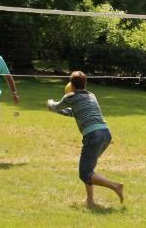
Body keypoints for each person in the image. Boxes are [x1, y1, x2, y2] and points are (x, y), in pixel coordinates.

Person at [47, 71, 124, 208]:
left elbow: (56, 106)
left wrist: (50, 103)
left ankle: (115, 186)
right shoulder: (91, 96)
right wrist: (58, 111)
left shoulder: (70, 96)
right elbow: (75, 112)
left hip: (93, 136)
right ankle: (90, 201)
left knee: (85, 173)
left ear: (71, 85)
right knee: (88, 169)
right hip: (105, 134)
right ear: (85, 83)